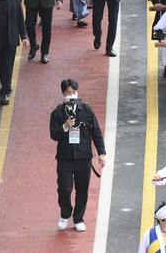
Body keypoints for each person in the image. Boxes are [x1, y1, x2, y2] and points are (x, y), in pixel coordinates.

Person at [50, 78, 106, 232]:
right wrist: (65, 126)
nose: (72, 95)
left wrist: (101, 153)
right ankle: (65, 214)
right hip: (65, 158)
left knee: (82, 189)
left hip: (84, 157)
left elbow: (96, 131)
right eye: (69, 92)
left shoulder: (86, 110)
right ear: (63, 94)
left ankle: (79, 218)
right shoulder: (56, 113)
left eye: (74, 92)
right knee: (64, 189)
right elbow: (53, 135)